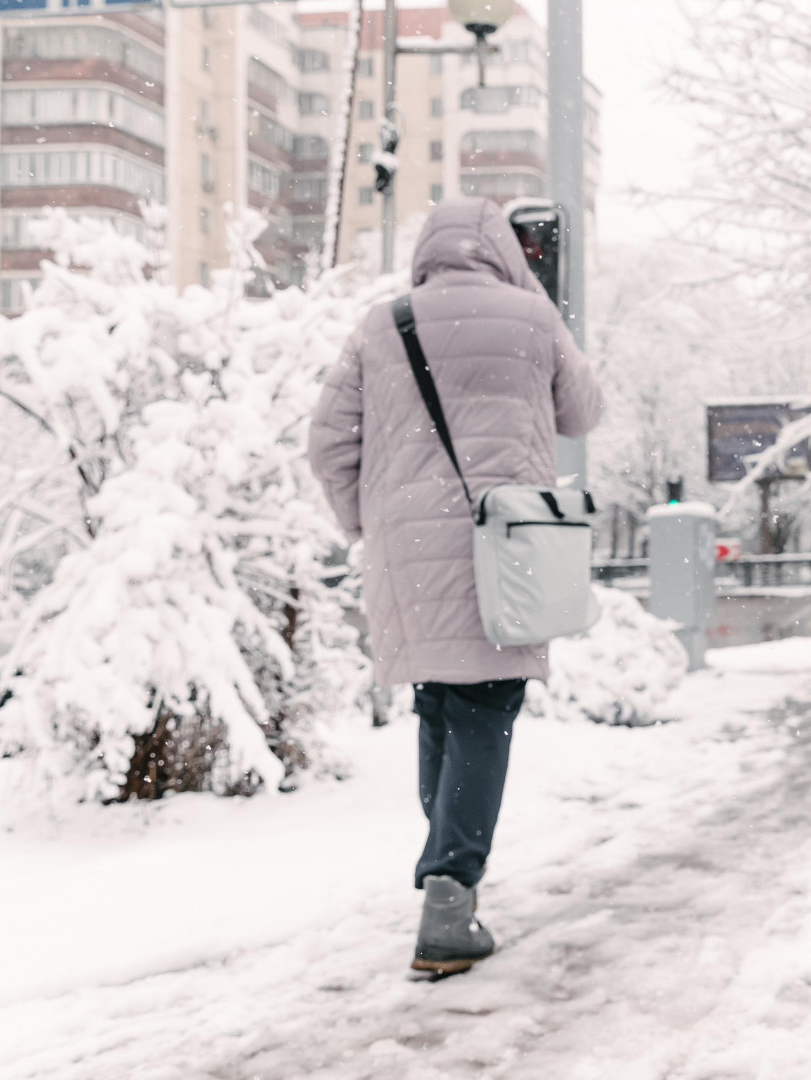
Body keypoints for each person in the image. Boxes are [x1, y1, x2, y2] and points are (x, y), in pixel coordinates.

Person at [308, 198, 603, 974]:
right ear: (506, 251)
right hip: (508, 543)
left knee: (441, 700)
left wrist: (365, 523)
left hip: (406, 549)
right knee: (484, 706)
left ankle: (447, 871)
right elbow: (584, 410)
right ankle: (449, 891)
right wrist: (537, 303)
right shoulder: (531, 319)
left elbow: (327, 440)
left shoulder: (384, 324)